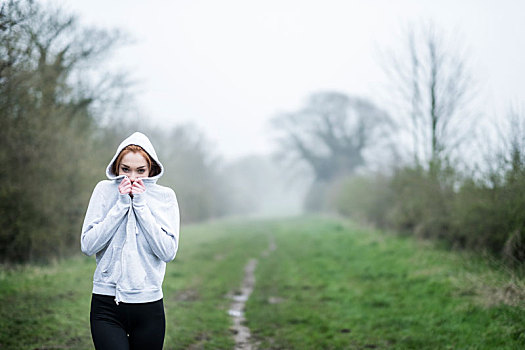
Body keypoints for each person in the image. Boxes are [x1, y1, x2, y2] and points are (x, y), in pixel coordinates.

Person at [81, 132, 180, 350]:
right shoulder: (104, 191)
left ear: (151, 168)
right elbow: (88, 245)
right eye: (125, 169)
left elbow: (168, 252)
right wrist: (121, 204)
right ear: (116, 167)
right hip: (106, 305)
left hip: (149, 307)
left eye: (140, 170)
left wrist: (141, 205)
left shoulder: (165, 197)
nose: (133, 177)